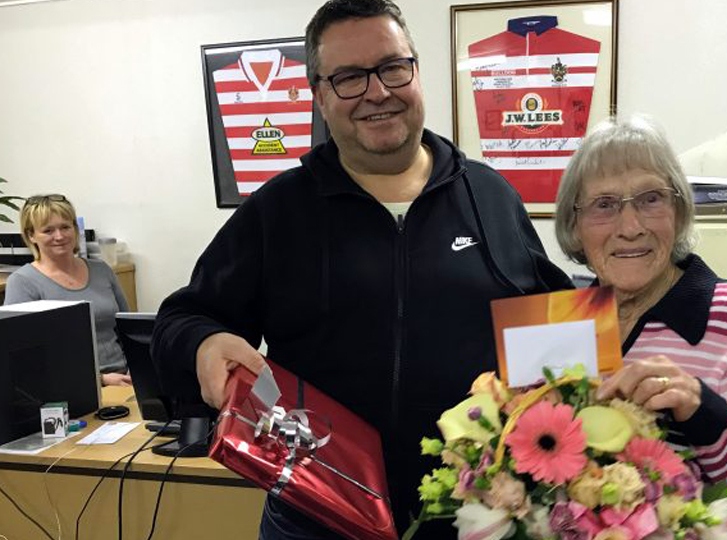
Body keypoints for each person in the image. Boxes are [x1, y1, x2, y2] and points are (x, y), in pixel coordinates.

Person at [151, 1, 572, 538]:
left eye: (392, 67)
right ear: (320, 95)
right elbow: (181, 319)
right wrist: (203, 344)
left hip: (473, 512)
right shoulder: (278, 210)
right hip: (316, 512)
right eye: (349, 77)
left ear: (416, 72)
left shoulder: (490, 196)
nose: (377, 92)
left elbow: (553, 323)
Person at [554, 116, 727, 540]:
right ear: (575, 226)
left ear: (678, 210)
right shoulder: (562, 320)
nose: (630, 226)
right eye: (604, 204)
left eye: (651, 199)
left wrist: (709, 414)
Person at [4, 194, 131, 386]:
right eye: (48, 230)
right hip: (70, 386)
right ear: (31, 236)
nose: (59, 236)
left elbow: (128, 328)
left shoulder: (101, 270)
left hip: (125, 378)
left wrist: (135, 367)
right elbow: (25, 358)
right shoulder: (22, 283)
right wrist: (101, 380)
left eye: (65, 227)